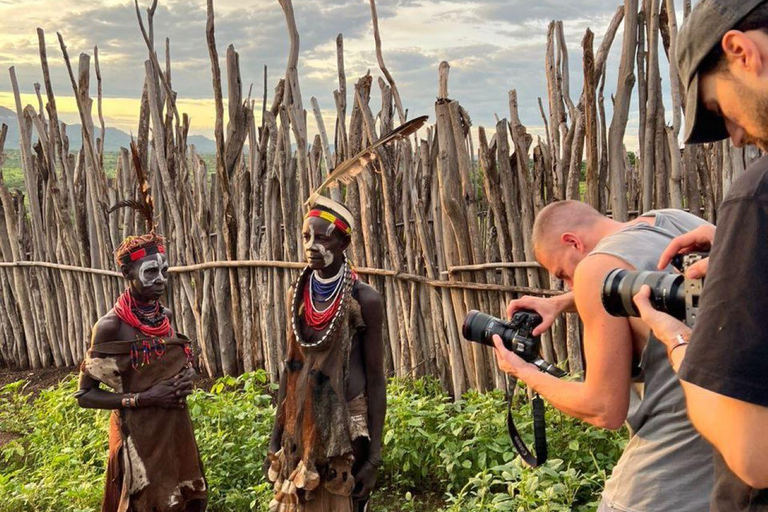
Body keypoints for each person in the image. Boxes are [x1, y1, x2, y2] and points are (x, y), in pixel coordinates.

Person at [492, 200, 714, 512]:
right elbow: (654, 287)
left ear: (572, 242)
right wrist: (563, 301)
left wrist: (522, 371)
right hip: (735, 460)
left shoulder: (594, 268)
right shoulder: (678, 223)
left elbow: (604, 409)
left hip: (666, 480)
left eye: (563, 274)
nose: (570, 282)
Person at [631, 1, 768, 506]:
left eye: (715, 108)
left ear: (739, 52)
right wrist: (742, 250)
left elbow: (752, 452)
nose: (734, 136)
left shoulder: (759, 196)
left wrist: (678, 339)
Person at [265, 195, 386, 512]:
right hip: (301, 421)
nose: (311, 245)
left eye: (322, 237)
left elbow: (375, 378)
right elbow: (291, 369)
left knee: (345, 501)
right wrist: (276, 436)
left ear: (343, 243)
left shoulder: (365, 299)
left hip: (348, 424)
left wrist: (373, 455)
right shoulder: (297, 295)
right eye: (306, 236)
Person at [75, 231, 207, 512]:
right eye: (150, 272)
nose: (160, 278)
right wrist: (142, 398)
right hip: (136, 435)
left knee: (180, 499)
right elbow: (85, 395)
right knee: (142, 502)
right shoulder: (110, 327)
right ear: (127, 273)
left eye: (164, 270)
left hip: (173, 428)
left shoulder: (164, 316)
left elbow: (169, 362)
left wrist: (187, 375)